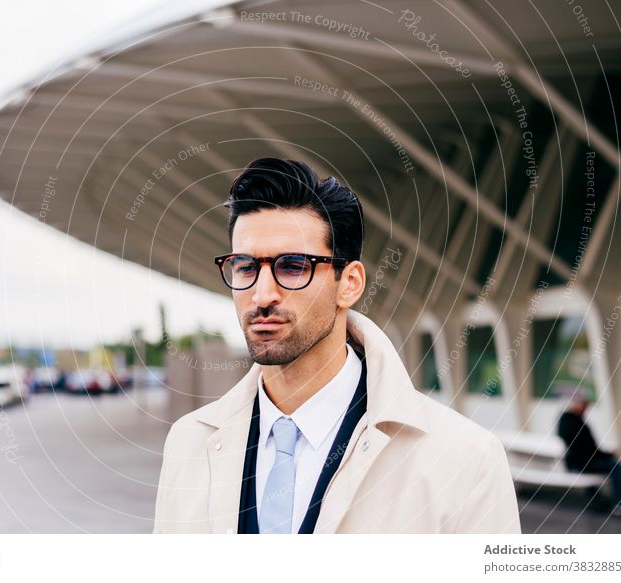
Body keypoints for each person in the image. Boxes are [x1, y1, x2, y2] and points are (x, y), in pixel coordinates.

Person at [153, 158, 520, 533]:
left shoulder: (464, 461)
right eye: (245, 267)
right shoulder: (189, 445)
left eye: (293, 266)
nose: (261, 295)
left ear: (350, 283)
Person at [556, 390, 621, 517]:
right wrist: (607, 455)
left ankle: (595, 498)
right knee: (616, 467)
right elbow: (589, 449)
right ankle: (620, 504)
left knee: (605, 463)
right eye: (584, 404)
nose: (586, 408)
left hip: (575, 461)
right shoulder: (575, 423)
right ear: (576, 405)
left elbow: (586, 449)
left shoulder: (566, 421)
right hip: (581, 464)